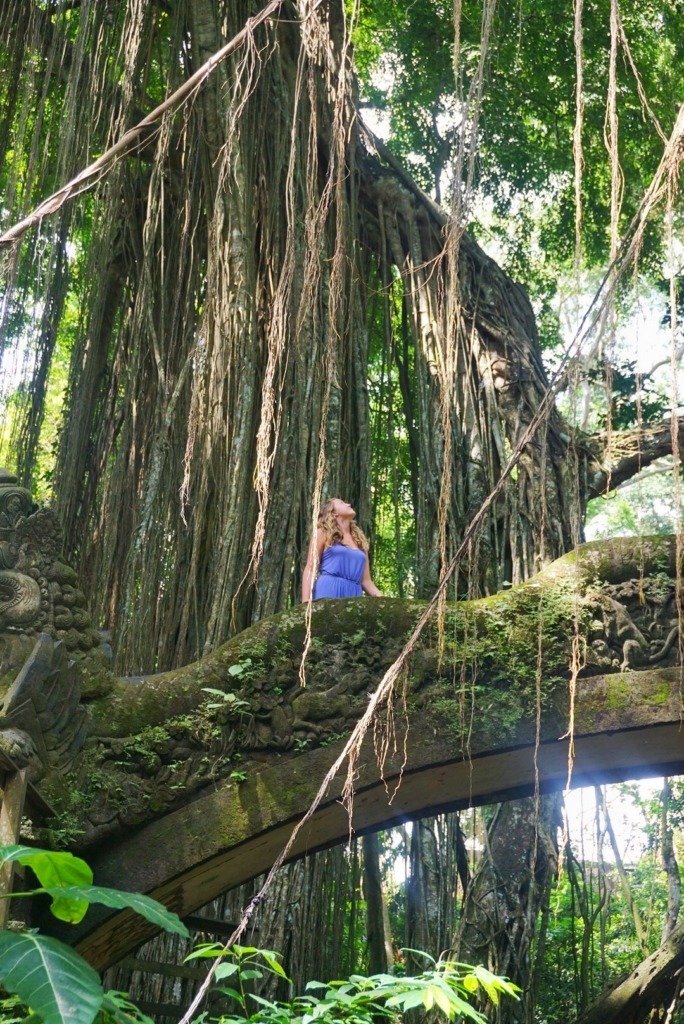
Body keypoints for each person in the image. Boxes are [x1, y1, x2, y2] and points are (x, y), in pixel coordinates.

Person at [302, 497, 382, 601]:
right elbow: (311, 567)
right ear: (334, 513)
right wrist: (306, 600)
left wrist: (385, 601)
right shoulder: (322, 533)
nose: (348, 504)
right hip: (328, 589)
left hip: (353, 594)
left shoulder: (360, 541)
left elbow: (366, 581)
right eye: (341, 503)